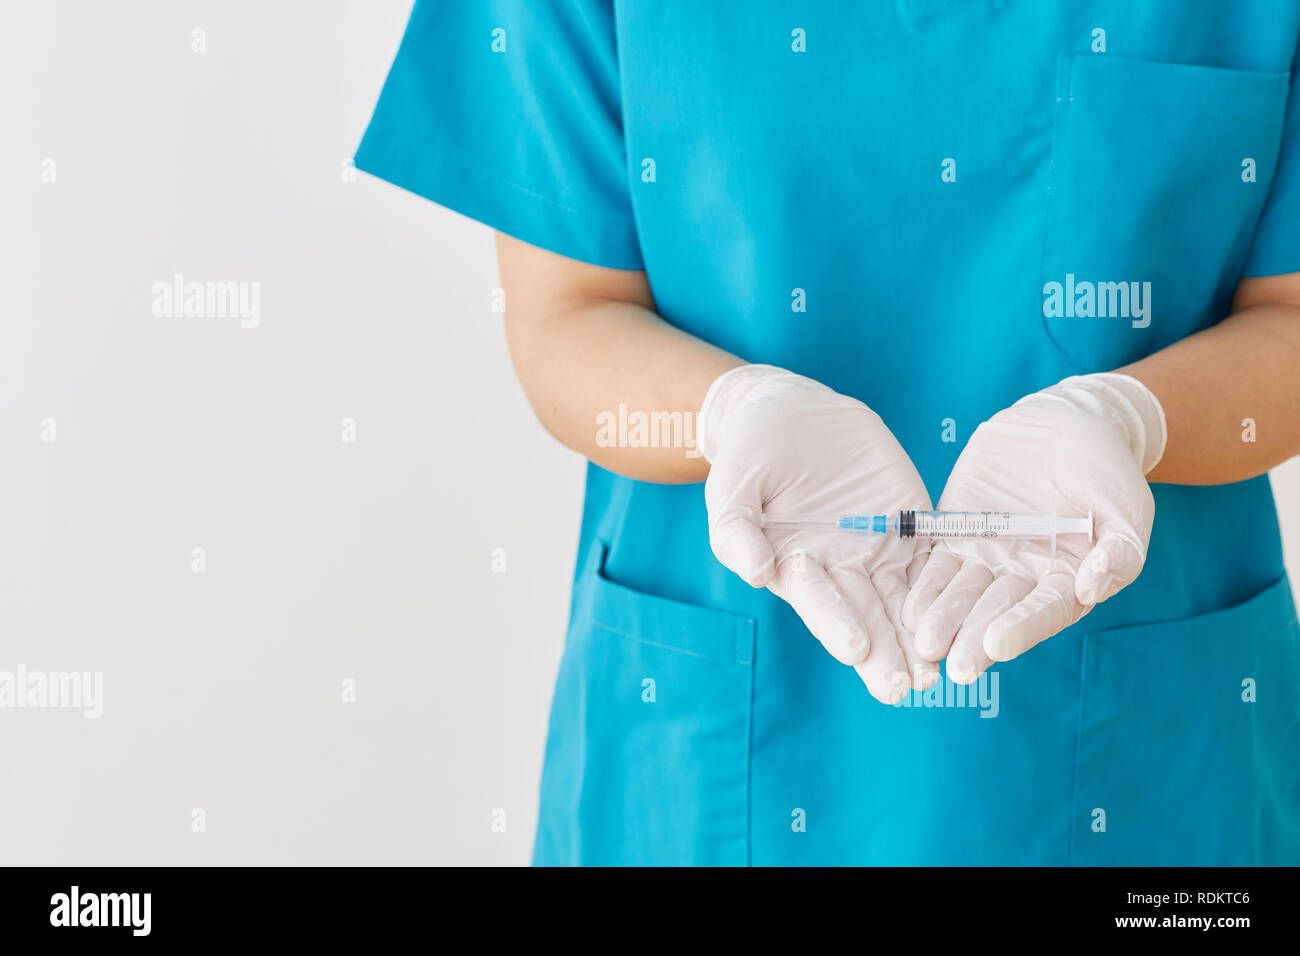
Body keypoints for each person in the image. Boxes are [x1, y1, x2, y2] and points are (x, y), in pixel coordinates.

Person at [355, 1, 1300, 865]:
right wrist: (726, 411)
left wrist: (1135, 420)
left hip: (1151, 773)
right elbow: (567, 312)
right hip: (709, 751)